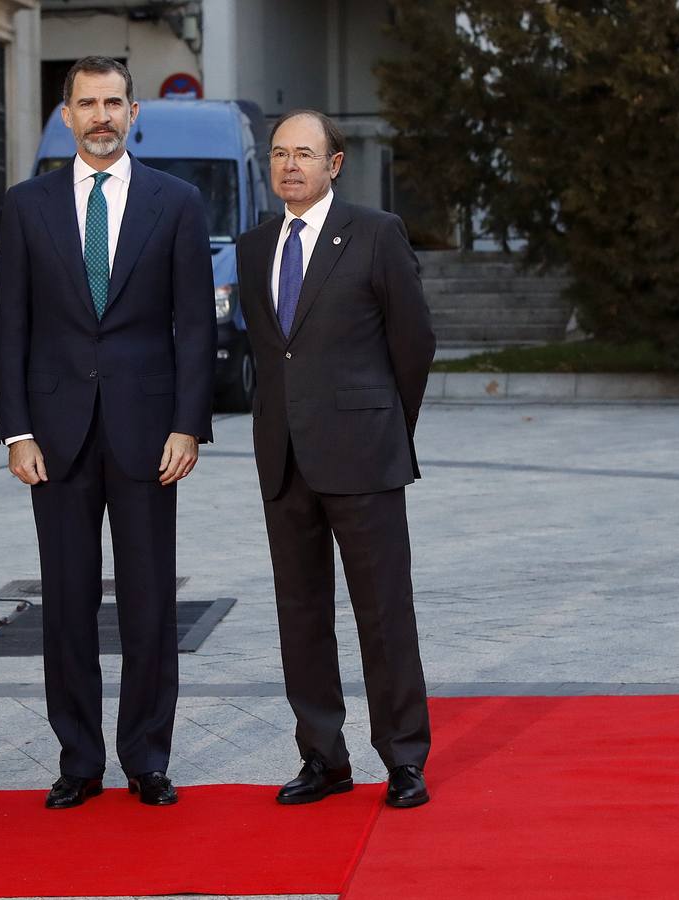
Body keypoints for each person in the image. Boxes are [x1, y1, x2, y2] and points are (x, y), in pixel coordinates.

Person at [0, 57, 215, 809]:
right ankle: (79, 760)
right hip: (55, 436)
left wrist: (189, 423)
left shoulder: (176, 202)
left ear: (135, 111)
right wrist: (16, 431)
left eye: (114, 102)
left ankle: (147, 756)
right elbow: (11, 325)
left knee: (150, 602)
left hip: (151, 433)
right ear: (65, 115)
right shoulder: (25, 207)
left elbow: (193, 326)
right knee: (66, 600)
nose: (101, 116)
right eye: (87, 103)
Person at [236, 109, 436, 809]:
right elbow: (272, 354)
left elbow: (414, 343)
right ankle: (323, 757)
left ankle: (404, 757)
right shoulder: (253, 246)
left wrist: (384, 423)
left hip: (364, 457)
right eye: (280, 154)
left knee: (383, 613)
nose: (290, 165)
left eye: (305, 154)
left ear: (336, 163)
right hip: (284, 459)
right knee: (301, 614)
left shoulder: (376, 234)